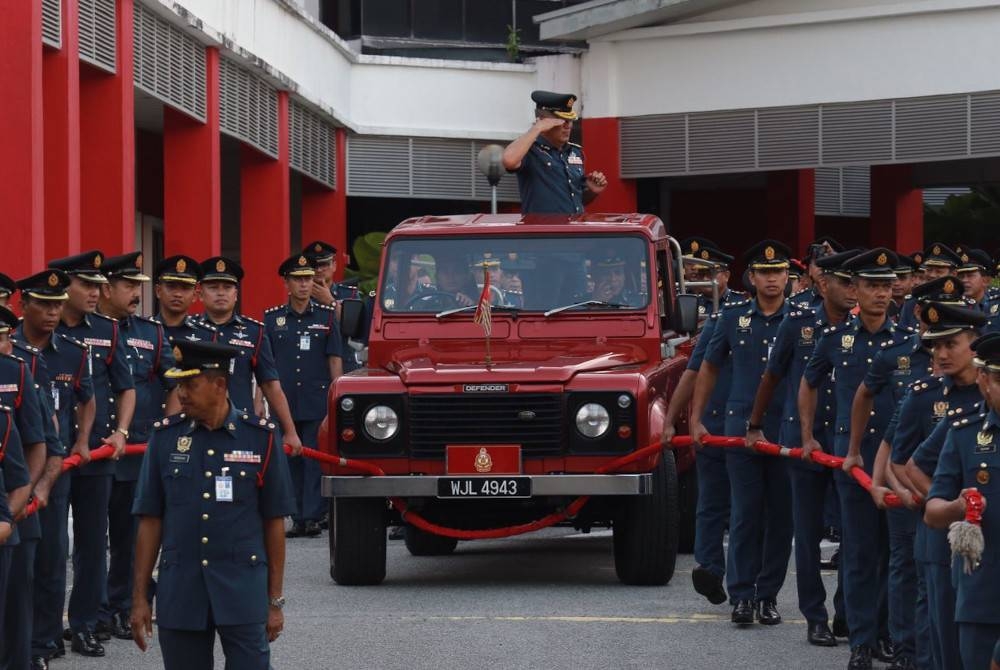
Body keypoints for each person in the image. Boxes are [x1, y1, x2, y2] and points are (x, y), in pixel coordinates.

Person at [130, 340, 295, 670]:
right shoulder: (164, 438)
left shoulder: (260, 437)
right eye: (179, 385)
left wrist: (274, 601)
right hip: (181, 590)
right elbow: (150, 520)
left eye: (190, 385)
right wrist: (139, 598)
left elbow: (273, 521)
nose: (182, 394)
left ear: (219, 385)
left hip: (242, 589)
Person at [800, 248, 909, 669]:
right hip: (855, 460)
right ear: (855, 289)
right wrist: (808, 436)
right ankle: (861, 640)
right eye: (872, 286)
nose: (882, 293)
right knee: (861, 552)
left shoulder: (908, 342)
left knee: (892, 553)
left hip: (897, 462)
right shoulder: (835, 338)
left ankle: (884, 634)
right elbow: (808, 383)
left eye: (887, 285)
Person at [745, 248, 857, 647]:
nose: (851, 290)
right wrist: (755, 426)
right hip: (805, 442)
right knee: (807, 535)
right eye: (844, 281)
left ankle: (849, 613)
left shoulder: (867, 326)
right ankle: (816, 616)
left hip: (848, 444)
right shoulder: (798, 322)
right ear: (823, 284)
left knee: (854, 538)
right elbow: (772, 376)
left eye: (853, 282)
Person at [690, 240, 793, 627]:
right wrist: (697, 419)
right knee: (746, 514)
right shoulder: (733, 317)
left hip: (785, 430)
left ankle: (768, 595)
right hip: (738, 430)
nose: (771, 278)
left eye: (778, 271)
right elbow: (708, 368)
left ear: (787, 276)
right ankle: (743, 596)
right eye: (764, 272)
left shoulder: (801, 318)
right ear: (752, 277)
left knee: (782, 519)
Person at [886, 302, 985, 670]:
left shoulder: (989, 394)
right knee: (940, 635)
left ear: (975, 344)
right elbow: (905, 463)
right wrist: (945, 508)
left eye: (950, 344)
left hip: (988, 533)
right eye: (935, 346)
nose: (940, 354)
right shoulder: (927, 394)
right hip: (941, 536)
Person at [49, 249, 135, 657]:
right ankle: (45, 631)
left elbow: (126, 387)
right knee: (49, 546)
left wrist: (119, 432)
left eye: (99, 285)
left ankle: (84, 623)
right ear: (63, 287)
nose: (95, 292)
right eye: (86, 285)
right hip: (47, 456)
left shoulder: (107, 329)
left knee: (91, 540)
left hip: (95, 450)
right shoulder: (39, 330)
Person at [96, 252, 179, 642]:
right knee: (93, 537)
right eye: (128, 286)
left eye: (138, 287)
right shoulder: (85, 331)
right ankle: (95, 610)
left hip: (139, 450)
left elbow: (173, 384)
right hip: (96, 447)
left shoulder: (151, 332)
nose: (135, 294)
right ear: (106, 288)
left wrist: (168, 431)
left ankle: (126, 604)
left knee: (130, 536)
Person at [14, 269, 94, 668]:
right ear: (22, 305)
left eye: (56, 305)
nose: (50, 313)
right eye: (42, 304)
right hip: (12, 470)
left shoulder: (74, 352)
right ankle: (16, 641)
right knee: (18, 565)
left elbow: (86, 398)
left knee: (50, 559)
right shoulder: (7, 348)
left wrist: (82, 442)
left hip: (54, 468)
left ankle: (43, 643)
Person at [664, 238, 743, 606]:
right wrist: (671, 420)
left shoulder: (739, 312)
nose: (697, 278)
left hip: (748, 423)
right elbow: (693, 371)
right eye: (692, 272)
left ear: (725, 276)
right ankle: (710, 567)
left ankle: (748, 584)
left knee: (745, 506)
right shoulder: (692, 310)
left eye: (706, 273)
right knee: (711, 501)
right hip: (710, 421)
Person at [925, 331, 1000, 670]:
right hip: (983, 592)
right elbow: (932, 512)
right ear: (984, 379)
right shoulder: (964, 432)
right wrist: (958, 507)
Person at [264, 254, 342, 538]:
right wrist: (259, 401)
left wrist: (338, 396)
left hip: (316, 398)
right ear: (287, 284)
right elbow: (264, 364)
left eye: (308, 279)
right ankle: (296, 516)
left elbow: (335, 359)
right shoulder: (272, 319)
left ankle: (312, 516)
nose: (303, 285)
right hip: (283, 399)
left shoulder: (325, 317)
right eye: (297, 279)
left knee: (313, 458)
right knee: (288, 459)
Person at [196, 257, 302, 455]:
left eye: (227, 287)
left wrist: (290, 431)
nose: (220, 292)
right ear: (200, 293)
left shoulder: (254, 332)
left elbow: (271, 385)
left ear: (236, 294)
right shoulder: (189, 331)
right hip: (195, 427)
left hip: (239, 427)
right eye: (213, 287)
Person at [0, 304, 39, 669]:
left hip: (9, 516)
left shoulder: (16, 372)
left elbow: (35, 446)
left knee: (13, 611)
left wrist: (10, 514)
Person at [502, 90, 607, 214]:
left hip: (573, 229)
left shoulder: (575, 152)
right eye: (561, 121)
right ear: (543, 121)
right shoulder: (531, 150)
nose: (568, 126)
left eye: (570, 120)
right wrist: (537, 128)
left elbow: (576, 200)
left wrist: (592, 191)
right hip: (544, 231)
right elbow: (508, 160)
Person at [301, 240, 369, 374]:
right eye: (314, 265)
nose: (319, 270)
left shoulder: (350, 294)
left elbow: (357, 330)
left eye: (324, 264)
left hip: (345, 366)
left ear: (334, 266)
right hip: (310, 369)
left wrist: (330, 301)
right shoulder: (300, 296)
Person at [152, 255, 217, 345]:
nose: (178, 294)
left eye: (185, 288)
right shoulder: (143, 330)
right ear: (158, 291)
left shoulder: (207, 335)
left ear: (194, 295)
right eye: (171, 287)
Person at [956, 248, 998, 316]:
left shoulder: (997, 302)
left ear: (986, 281)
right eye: (961, 277)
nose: (964, 280)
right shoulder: (952, 304)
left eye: (970, 276)